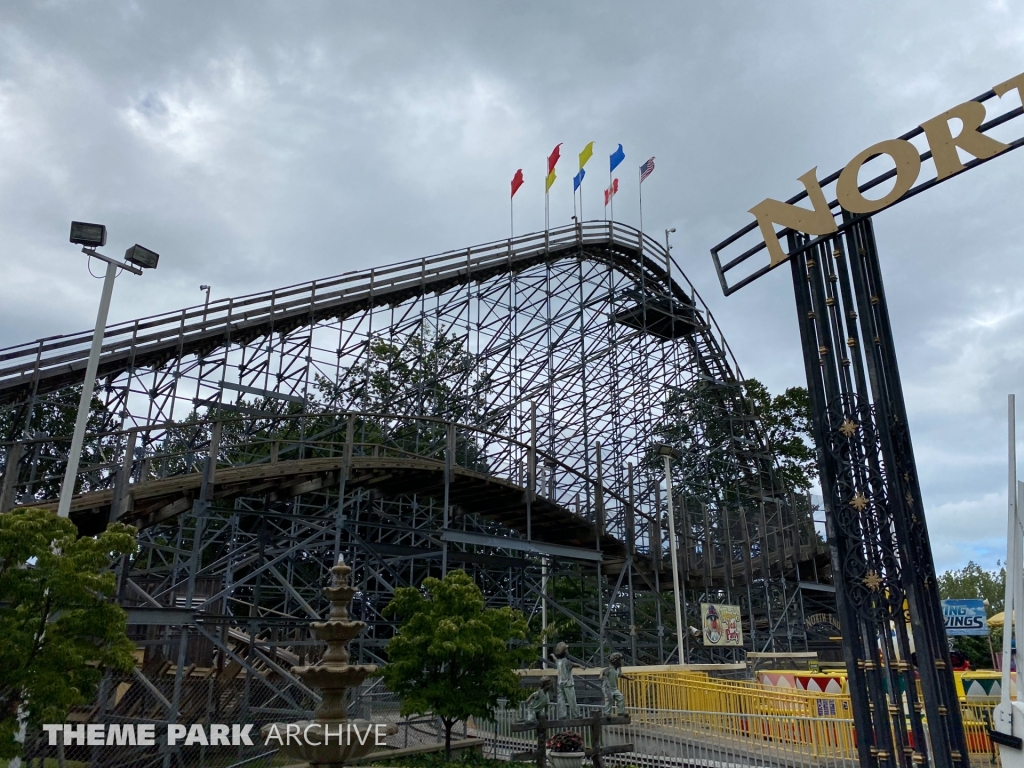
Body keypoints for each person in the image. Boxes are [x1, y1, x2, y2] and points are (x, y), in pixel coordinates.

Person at [551, 642, 583, 719]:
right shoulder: (566, 661)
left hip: (560, 683)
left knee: (561, 700)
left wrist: (552, 655)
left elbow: (555, 660)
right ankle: (576, 714)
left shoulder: (558, 661)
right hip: (568, 684)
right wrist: (580, 666)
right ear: (565, 652)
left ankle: (562, 715)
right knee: (572, 700)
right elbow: (573, 664)